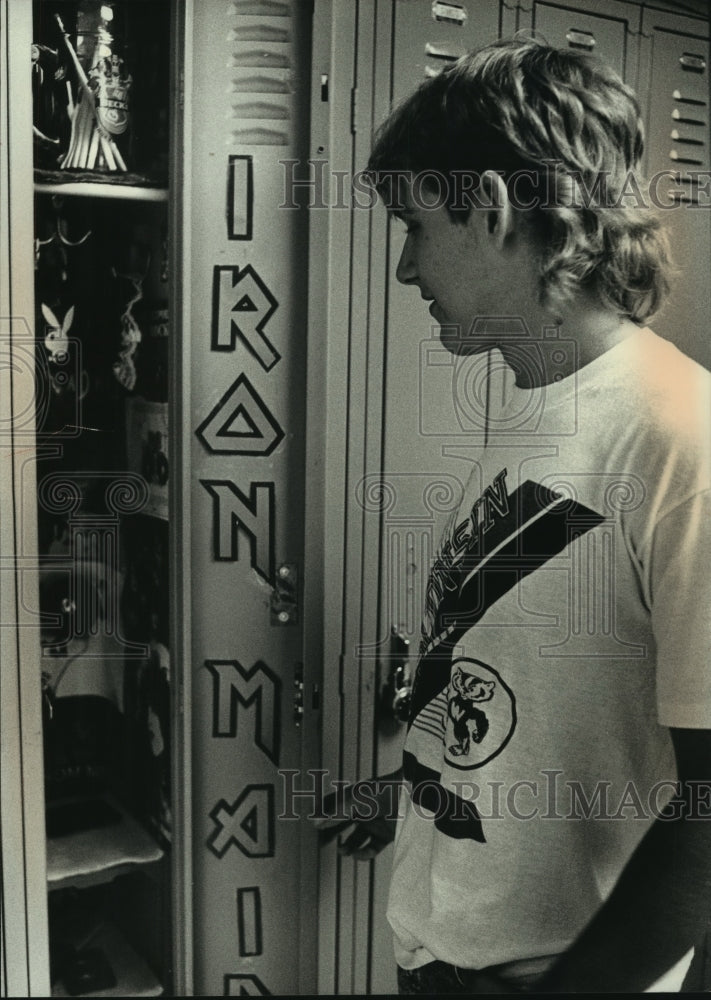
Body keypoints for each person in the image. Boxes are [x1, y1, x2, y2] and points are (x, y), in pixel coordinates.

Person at [316, 37, 711, 993]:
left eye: (414, 227)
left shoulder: (678, 436)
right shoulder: (539, 406)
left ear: (490, 209)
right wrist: (415, 792)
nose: (407, 269)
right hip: (444, 956)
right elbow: (522, 681)